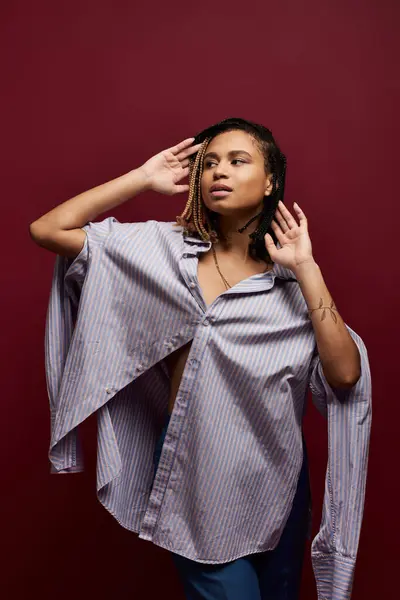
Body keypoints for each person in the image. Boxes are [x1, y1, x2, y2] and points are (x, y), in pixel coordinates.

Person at [30, 117, 371, 600]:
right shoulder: (161, 253)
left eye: (236, 161)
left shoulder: (291, 287)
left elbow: (345, 374)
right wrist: (142, 179)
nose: (217, 172)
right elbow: (47, 229)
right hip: (195, 475)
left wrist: (307, 267)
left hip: (277, 483)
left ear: (271, 180)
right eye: (208, 163)